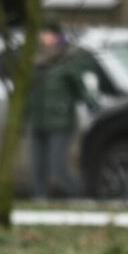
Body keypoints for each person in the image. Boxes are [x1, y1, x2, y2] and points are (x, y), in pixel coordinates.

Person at [24, 26, 94, 201]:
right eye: (43, 33)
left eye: (49, 34)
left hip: (61, 122)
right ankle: (39, 199)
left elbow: (81, 89)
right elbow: (26, 95)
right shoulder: (33, 62)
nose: (45, 37)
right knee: (39, 167)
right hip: (38, 121)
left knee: (58, 166)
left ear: (57, 37)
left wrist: (91, 103)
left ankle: (82, 195)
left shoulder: (68, 61)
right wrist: (23, 121)